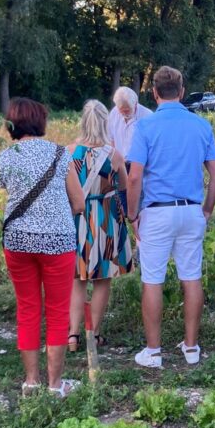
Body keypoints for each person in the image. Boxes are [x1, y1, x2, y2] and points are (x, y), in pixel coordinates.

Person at [126, 66, 215, 369]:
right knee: (191, 277)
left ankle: (154, 351)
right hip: (191, 209)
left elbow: (134, 177)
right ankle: (191, 347)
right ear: (182, 91)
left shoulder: (145, 127)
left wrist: (132, 214)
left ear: (153, 92)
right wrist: (206, 209)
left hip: (157, 211)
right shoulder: (201, 125)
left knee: (152, 279)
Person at [0, 97, 85, 397]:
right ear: (41, 121)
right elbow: (79, 202)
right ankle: (55, 384)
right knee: (58, 311)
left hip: (17, 240)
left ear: (12, 124)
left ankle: (31, 381)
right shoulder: (61, 155)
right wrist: (56, 217)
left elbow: (7, 190)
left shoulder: (5, 157)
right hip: (57, 241)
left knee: (27, 308)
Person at [68, 100, 133, 351]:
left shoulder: (69, 152)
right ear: (106, 122)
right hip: (105, 218)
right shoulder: (113, 154)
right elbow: (124, 186)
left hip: (77, 217)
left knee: (77, 278)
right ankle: (93, 334)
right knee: (102, 279)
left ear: (83, 121)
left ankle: (73, 335)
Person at [108, 86, 153, 164]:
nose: (124, 113)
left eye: (127, 110)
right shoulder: (113, 113)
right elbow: (111, 139)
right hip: (118, 163)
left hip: (139, 165)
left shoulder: (148, 116)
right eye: (121, 110)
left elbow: (152, 146)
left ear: (135, 104)